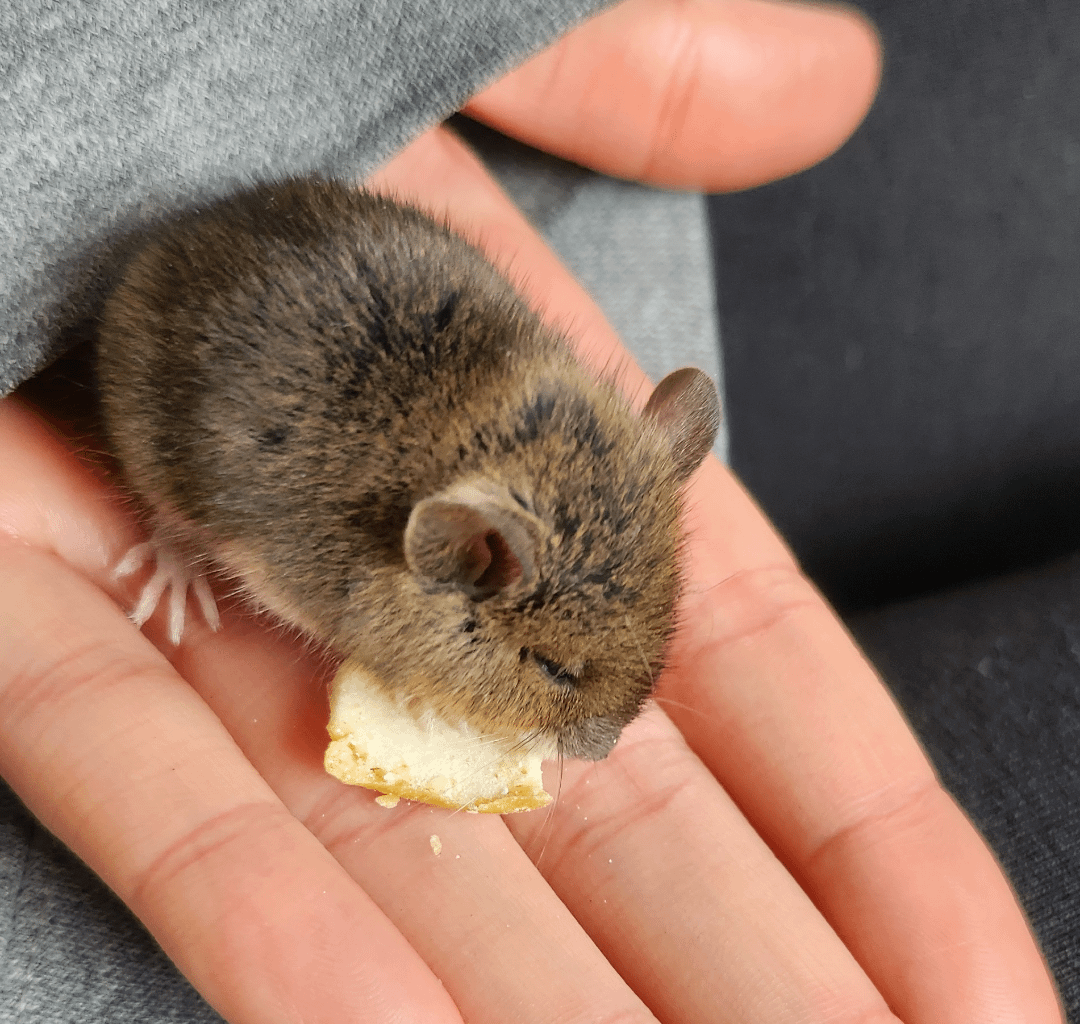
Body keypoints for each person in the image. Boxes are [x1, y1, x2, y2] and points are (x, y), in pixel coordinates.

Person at [0, 1, 1064, 1021]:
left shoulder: (560, 457)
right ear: (468, 558)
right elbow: (321, 589)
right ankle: (175, 527)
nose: (590, 737)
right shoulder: (391, 569)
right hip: (193, 344)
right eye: (557, 675)